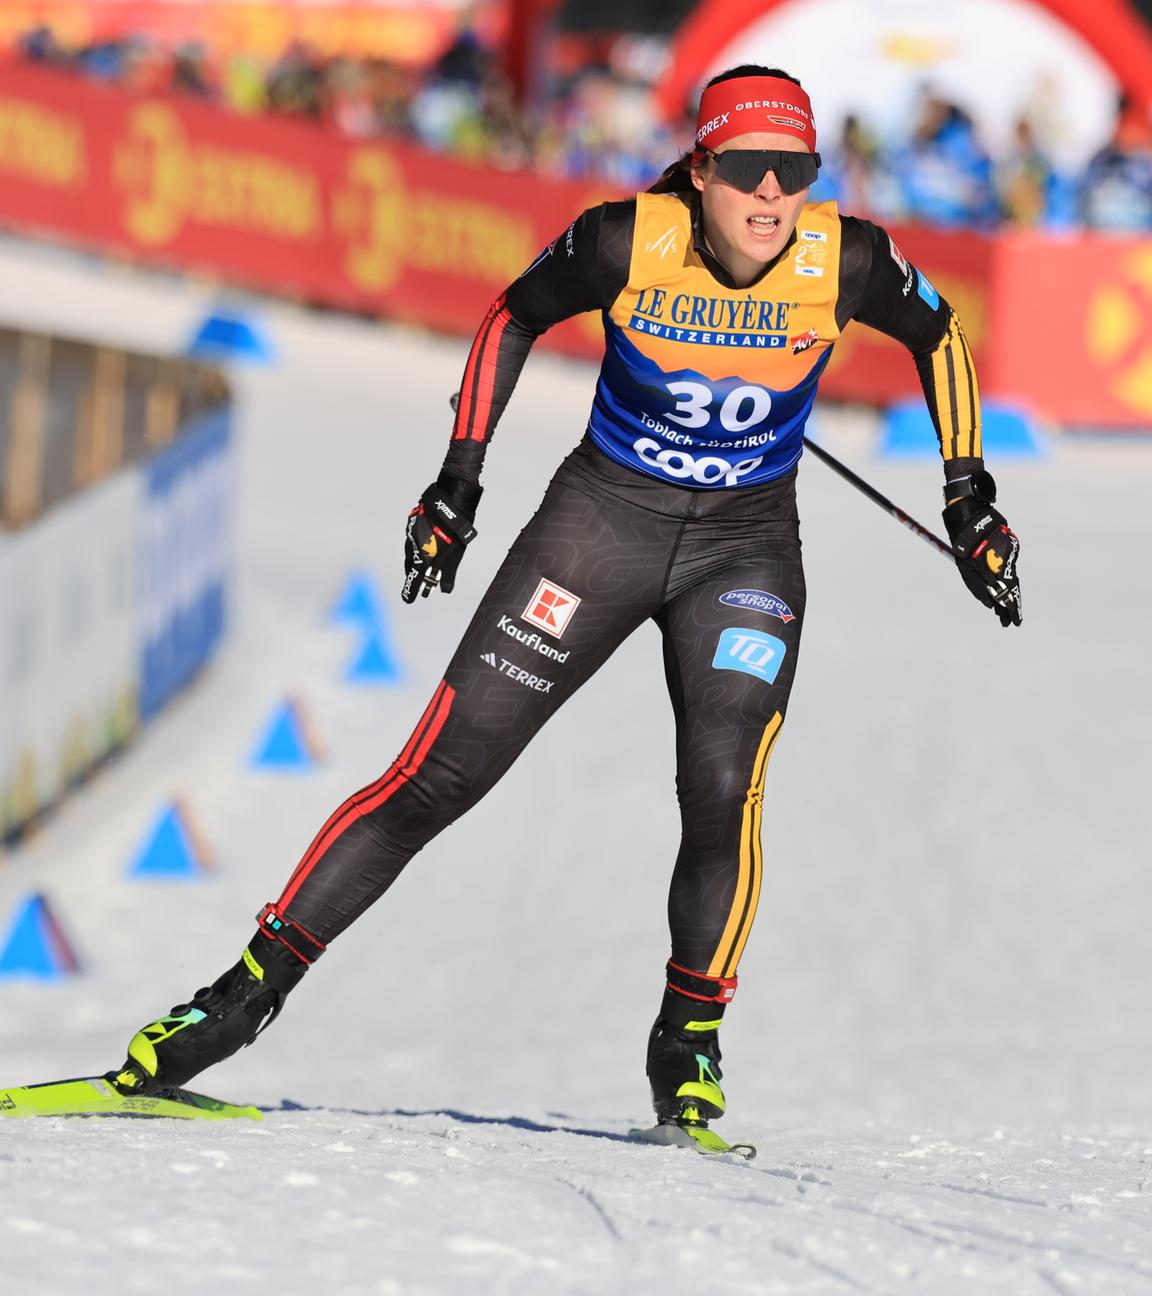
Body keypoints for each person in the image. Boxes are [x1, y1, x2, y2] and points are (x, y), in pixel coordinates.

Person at [114, 65, 1022, 1135]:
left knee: (723, 784)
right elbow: (511, 317)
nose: (772, 195)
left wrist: (970, 500)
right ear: (701, 167)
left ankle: (688, 1042)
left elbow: (941, 337)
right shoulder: (624, 240)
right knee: (438, 776)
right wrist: (459, 481)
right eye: (746, 170)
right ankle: (234, 1001)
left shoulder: (845, 257)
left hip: (745, 552)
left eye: (796, 172)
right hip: (600, 527)